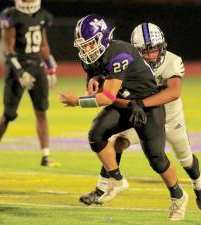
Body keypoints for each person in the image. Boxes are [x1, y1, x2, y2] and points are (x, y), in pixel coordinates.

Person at [60, 15, 188, 220]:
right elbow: (95, 74)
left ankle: (178, 196)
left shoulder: (120, 55)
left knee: (156, 159)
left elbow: (106, 97)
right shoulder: (89, 56)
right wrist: (92, 78)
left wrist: (77, 101)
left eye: (90, 43)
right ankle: (117, 180)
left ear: (102, 38)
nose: (86, 49)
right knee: (96, 134)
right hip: (124, 103)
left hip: (146, 105)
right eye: (83, 46)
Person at [81, 23, 201, 211]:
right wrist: (96, 79)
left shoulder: (171, 61)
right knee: (118, 142)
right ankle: (102, 188)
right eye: (144, 51)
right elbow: (109, 79)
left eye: (154, 50)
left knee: (186, 159)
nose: (149, 55)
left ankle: (199, 185)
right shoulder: (127, 61)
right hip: (142, 115)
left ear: (162, 47)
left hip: (170, 118)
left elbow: (174, 92)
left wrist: (140, 104)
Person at [0, 0, 58, 167]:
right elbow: (8, 50)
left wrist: (51, 69)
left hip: (37, 67)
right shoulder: (11, 16)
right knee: (8, 114)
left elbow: (44, 46)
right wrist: (21, 73)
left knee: (41, 111)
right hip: (17, 69)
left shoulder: (42, 15)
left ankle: (45, 157)